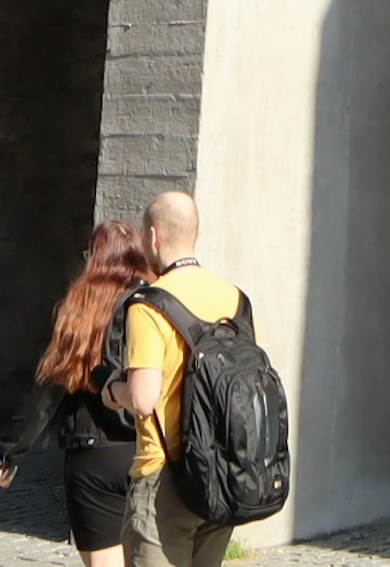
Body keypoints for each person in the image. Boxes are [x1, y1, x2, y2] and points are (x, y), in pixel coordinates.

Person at [0, 218, 151, 567]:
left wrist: (9, 453)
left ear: (94, 260)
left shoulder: (81, 311)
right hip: (149, 450)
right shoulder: (156, 305)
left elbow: (46, 394)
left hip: (94, 455)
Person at [113, 190, 247, 567]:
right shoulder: (236, 300)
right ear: (196, 235)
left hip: (164, 473)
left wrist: (112, 390)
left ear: (152, 237)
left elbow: (143, 399)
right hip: (223, 470)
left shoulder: (149, 304)